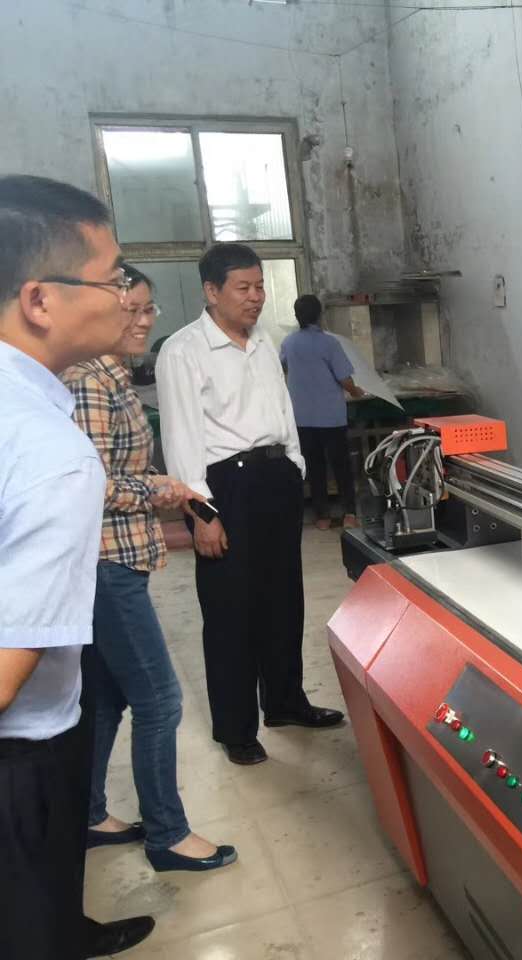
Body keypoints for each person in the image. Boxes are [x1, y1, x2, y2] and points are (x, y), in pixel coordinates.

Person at [0, 175, 154, 958]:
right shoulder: (52, 454)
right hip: (21, 753)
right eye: (113, 278)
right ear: (39, 300)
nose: (128, 299)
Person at [62, 265, 237, 873]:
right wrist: (161, 488)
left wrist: (153, 484)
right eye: (128, 311)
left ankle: (88, 814)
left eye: (147, 309)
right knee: (160, 699)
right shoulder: (90, 381)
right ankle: (167, 834)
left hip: (117, 557)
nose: (142, 322)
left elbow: (109, 469)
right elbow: (90, 483)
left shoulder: (113, 376)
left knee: (106, 695)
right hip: (107, 562)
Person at [156, 243, 344, 767]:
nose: (256, 297)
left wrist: (296, 466)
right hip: (226, 487)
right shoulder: (184, 351)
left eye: (259, 286)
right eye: (243, 287)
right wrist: (202, 514)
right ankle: (236, 728)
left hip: (275, 479)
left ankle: (285, 702)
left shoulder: (265, 341)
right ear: (211, 291)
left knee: (283, 599)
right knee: (230, 612)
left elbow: (283, 409)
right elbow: (181, 439)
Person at [279, 293, 366, 530]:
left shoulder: (289, 343)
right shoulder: (329, 343)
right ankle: (349, 514)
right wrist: (356, 391)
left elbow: (281, 367)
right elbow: (344, 378)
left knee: (314, 467)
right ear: (319, 315)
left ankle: (322, 517)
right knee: (341, 466)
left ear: (297, 316)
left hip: (303, 417)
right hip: (331, 418)